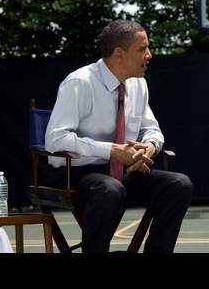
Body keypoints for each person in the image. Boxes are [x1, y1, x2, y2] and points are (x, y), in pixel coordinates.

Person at [45, 20, 193, 253]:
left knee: (179, 184)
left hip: (122, 173)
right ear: (118, 53)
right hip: (74, 174)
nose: (149, 55)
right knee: (109, 189)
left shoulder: (139, 84)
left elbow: (152, 129)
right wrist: (112, 150)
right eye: (143, 49)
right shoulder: (80, 82)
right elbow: (55, 140)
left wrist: (149, 147)